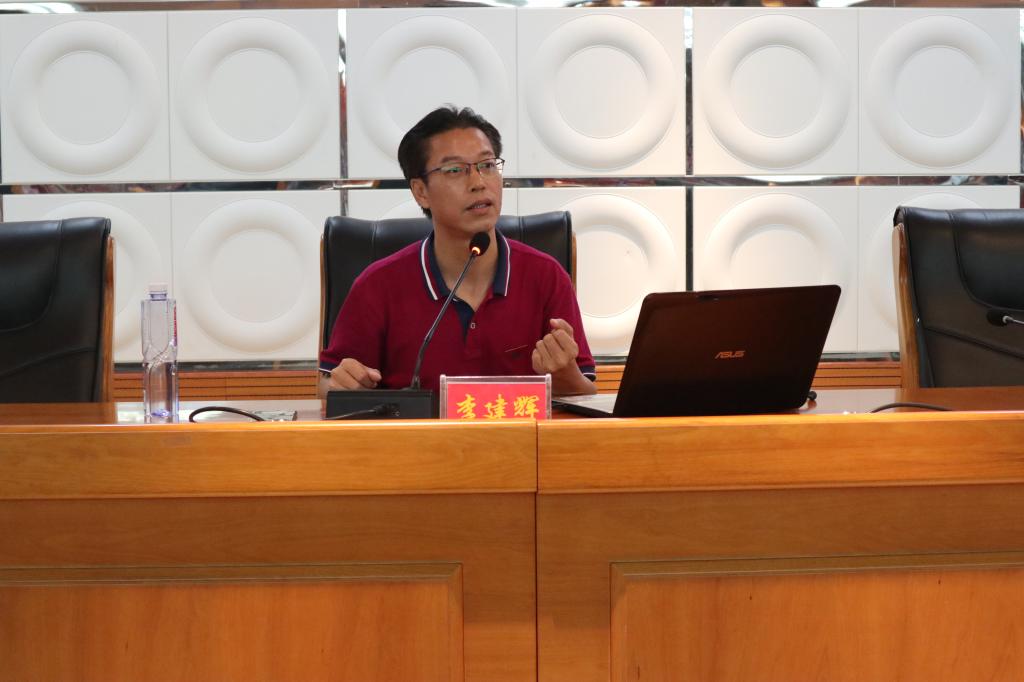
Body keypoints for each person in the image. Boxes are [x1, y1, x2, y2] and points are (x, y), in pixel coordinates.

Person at [319, 105, 596, 397]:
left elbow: (587, 394)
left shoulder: (546, 276)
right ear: (421, 192)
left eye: (487, 165)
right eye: (455, 170)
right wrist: (341, 385)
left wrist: (565, 376)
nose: (478, 183)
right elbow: (327, 387)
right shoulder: (377, 285)